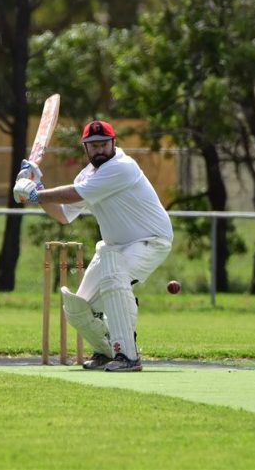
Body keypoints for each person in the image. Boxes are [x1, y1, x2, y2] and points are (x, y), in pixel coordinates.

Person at [13, 120, 173, 372]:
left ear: (113, 143)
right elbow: (63, 215)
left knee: (114, 278)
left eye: (103, 144)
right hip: (113, 247)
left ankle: (128, 356)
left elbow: (75, 194)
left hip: (151, 241)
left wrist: (33, 194)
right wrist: (38, 187)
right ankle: (106, 351)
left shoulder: (122, 167)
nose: (99, 149)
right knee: (78, 308)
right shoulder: (87, 175)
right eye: (93, 145)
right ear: (85, 148)